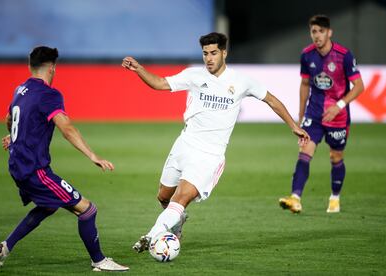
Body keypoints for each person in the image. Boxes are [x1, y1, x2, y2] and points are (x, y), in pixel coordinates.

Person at [121, 32, 310, 252]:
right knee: (164, 196)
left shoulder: (241, 81)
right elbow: (160, 83)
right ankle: (177, 221)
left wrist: (293, 125)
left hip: (209, 155)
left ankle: (151, 237)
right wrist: (139, 69)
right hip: (184, 144)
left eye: (213, 53)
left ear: (224, 53)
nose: (208, 58)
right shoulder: (194, 75)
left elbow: (272, 100)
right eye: (205, 54)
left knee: (181, 197)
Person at [0, 46, 129, 272]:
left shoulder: (21, 88)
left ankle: (4, 247)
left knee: (48, 205)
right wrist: (93, 155)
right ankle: (99, 261)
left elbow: (9, 118)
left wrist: (14, 138)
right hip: (35, 170)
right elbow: (67, 129)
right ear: (52, 68)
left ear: (30, 66)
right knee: (87, 209)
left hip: (17, 165)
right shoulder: (49, 95)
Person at [279, 15, 364, 214]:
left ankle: (334, 198)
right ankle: (295, 198)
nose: (317, 36)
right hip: (314, 114)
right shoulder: (307, 55)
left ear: (329, 32)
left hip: (338, 117)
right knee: (305, 152)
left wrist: (339, 105)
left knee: (335, 157)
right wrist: (300, 117)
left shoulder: (344, 55)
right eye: (313, 31)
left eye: (321, 31)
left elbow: (359, 86)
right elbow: (305, 84)